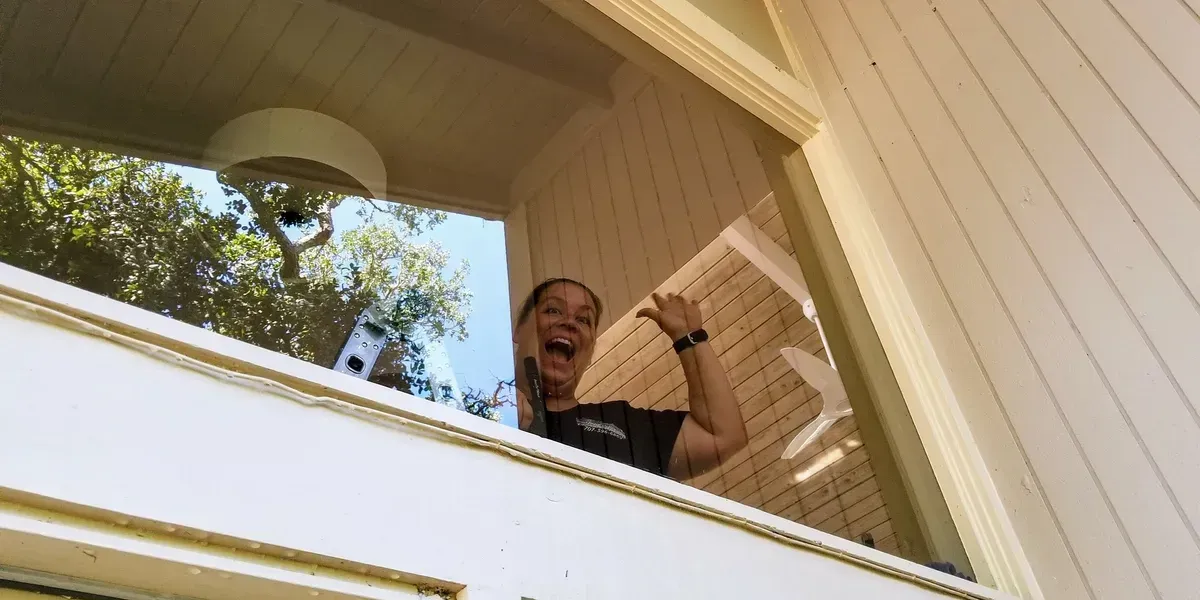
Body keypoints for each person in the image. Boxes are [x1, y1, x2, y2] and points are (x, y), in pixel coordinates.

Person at [513, 278, 748, 479]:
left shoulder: (624, 423)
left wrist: (688, 337)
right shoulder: (492, 405)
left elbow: (722, 436)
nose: (570, 323)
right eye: (553, 310)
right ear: (517, 330)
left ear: (591, 350)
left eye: (583, 320)